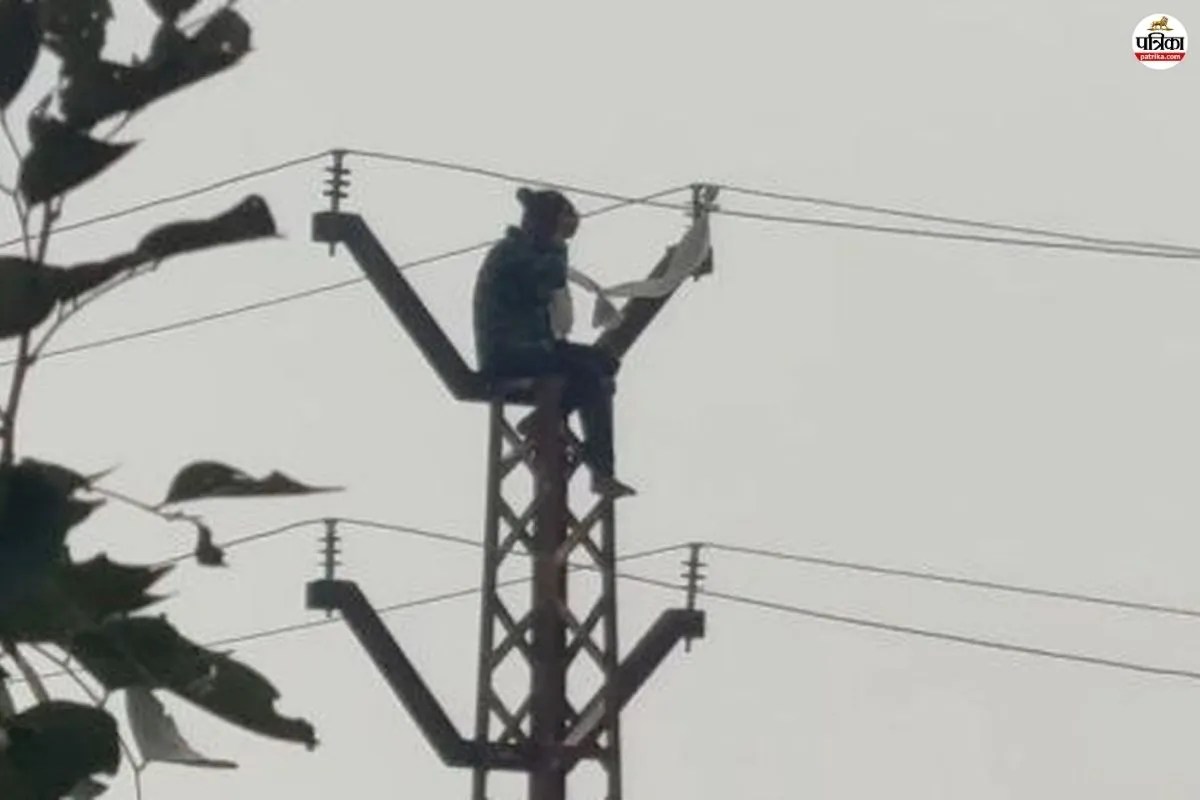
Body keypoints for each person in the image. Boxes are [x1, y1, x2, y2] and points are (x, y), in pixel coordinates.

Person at [473, 187, 635, 498]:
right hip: (509, 351)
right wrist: (558, 244)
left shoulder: (525, 251)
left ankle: (547, 417)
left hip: (532, 347)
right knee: (588, 376)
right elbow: (550, 279)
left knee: (604, 362)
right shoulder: (512, 253)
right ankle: (601, 471)